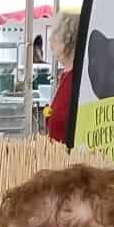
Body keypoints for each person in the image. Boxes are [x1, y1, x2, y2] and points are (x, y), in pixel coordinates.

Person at [45, 9, 78, 145]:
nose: (50, 41)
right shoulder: (65, 76)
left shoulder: (75, 80)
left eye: (56, 34)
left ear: (68, 40)